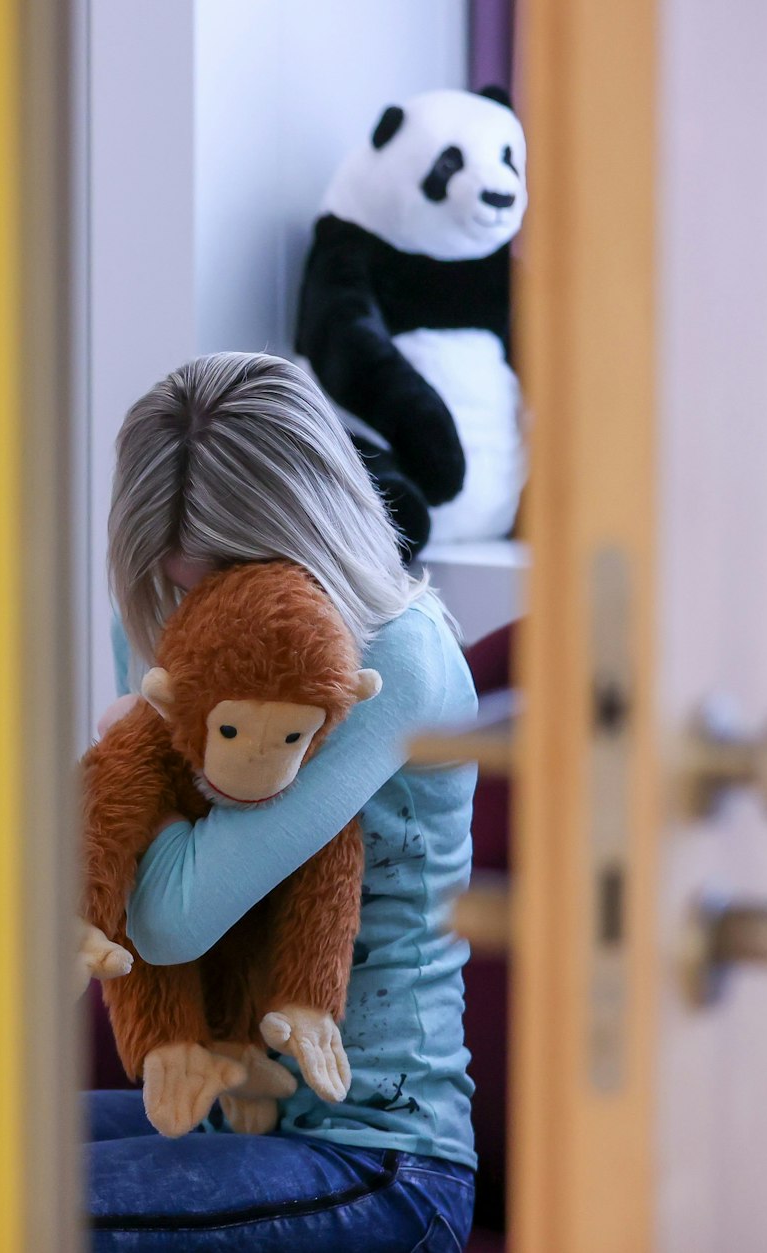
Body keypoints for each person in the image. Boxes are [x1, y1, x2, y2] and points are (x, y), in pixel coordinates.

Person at [87, 352, 477, 1252]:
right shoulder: (161, 618)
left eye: (232, 568)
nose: (201, 604)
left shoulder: (395, 658)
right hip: (224, 1111)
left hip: (384, 1158)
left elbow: (168, 919)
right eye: (182, 582)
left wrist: (121, 759)